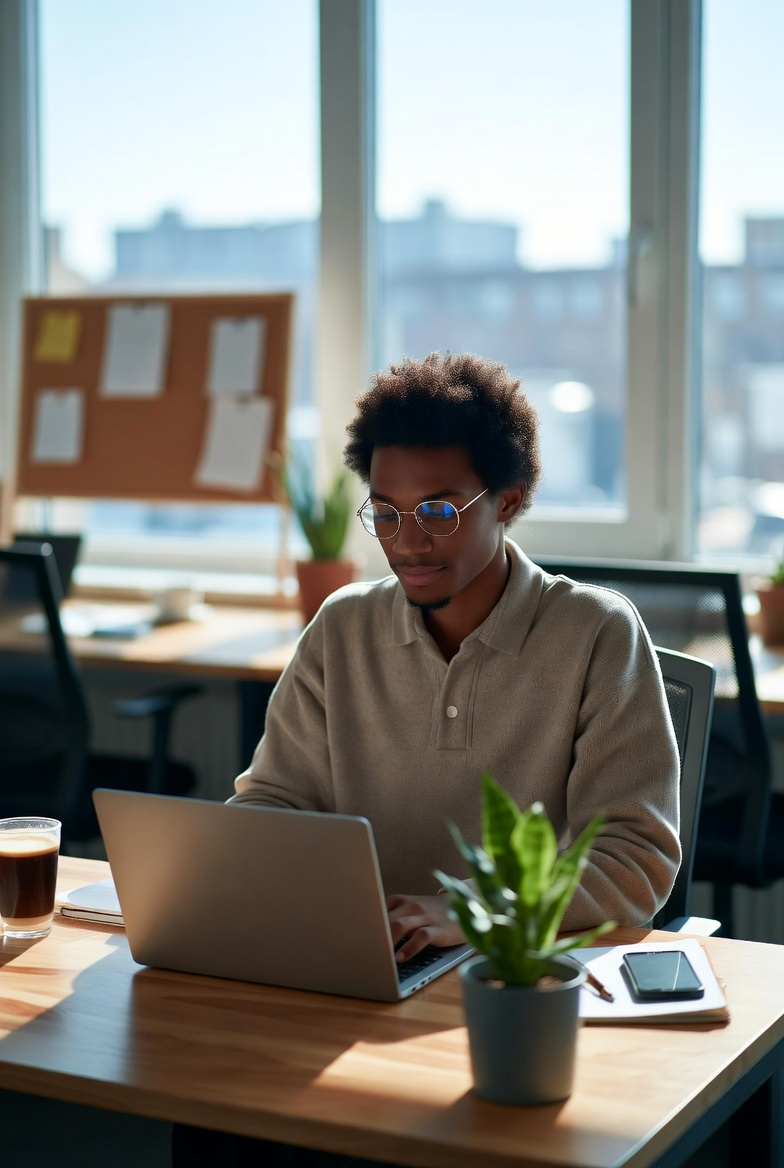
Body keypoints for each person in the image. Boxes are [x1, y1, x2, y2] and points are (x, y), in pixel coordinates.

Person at [172, 351, 680, 1166]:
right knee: (208, 1104)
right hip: (354, 985)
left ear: (507, 502)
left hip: (507, 1002)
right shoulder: (341, 628)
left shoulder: (595, 634)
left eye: (440, 511)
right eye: (386, 513)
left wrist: (470, 913)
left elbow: (635, 861)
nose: (408, 543)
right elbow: (272, 804)